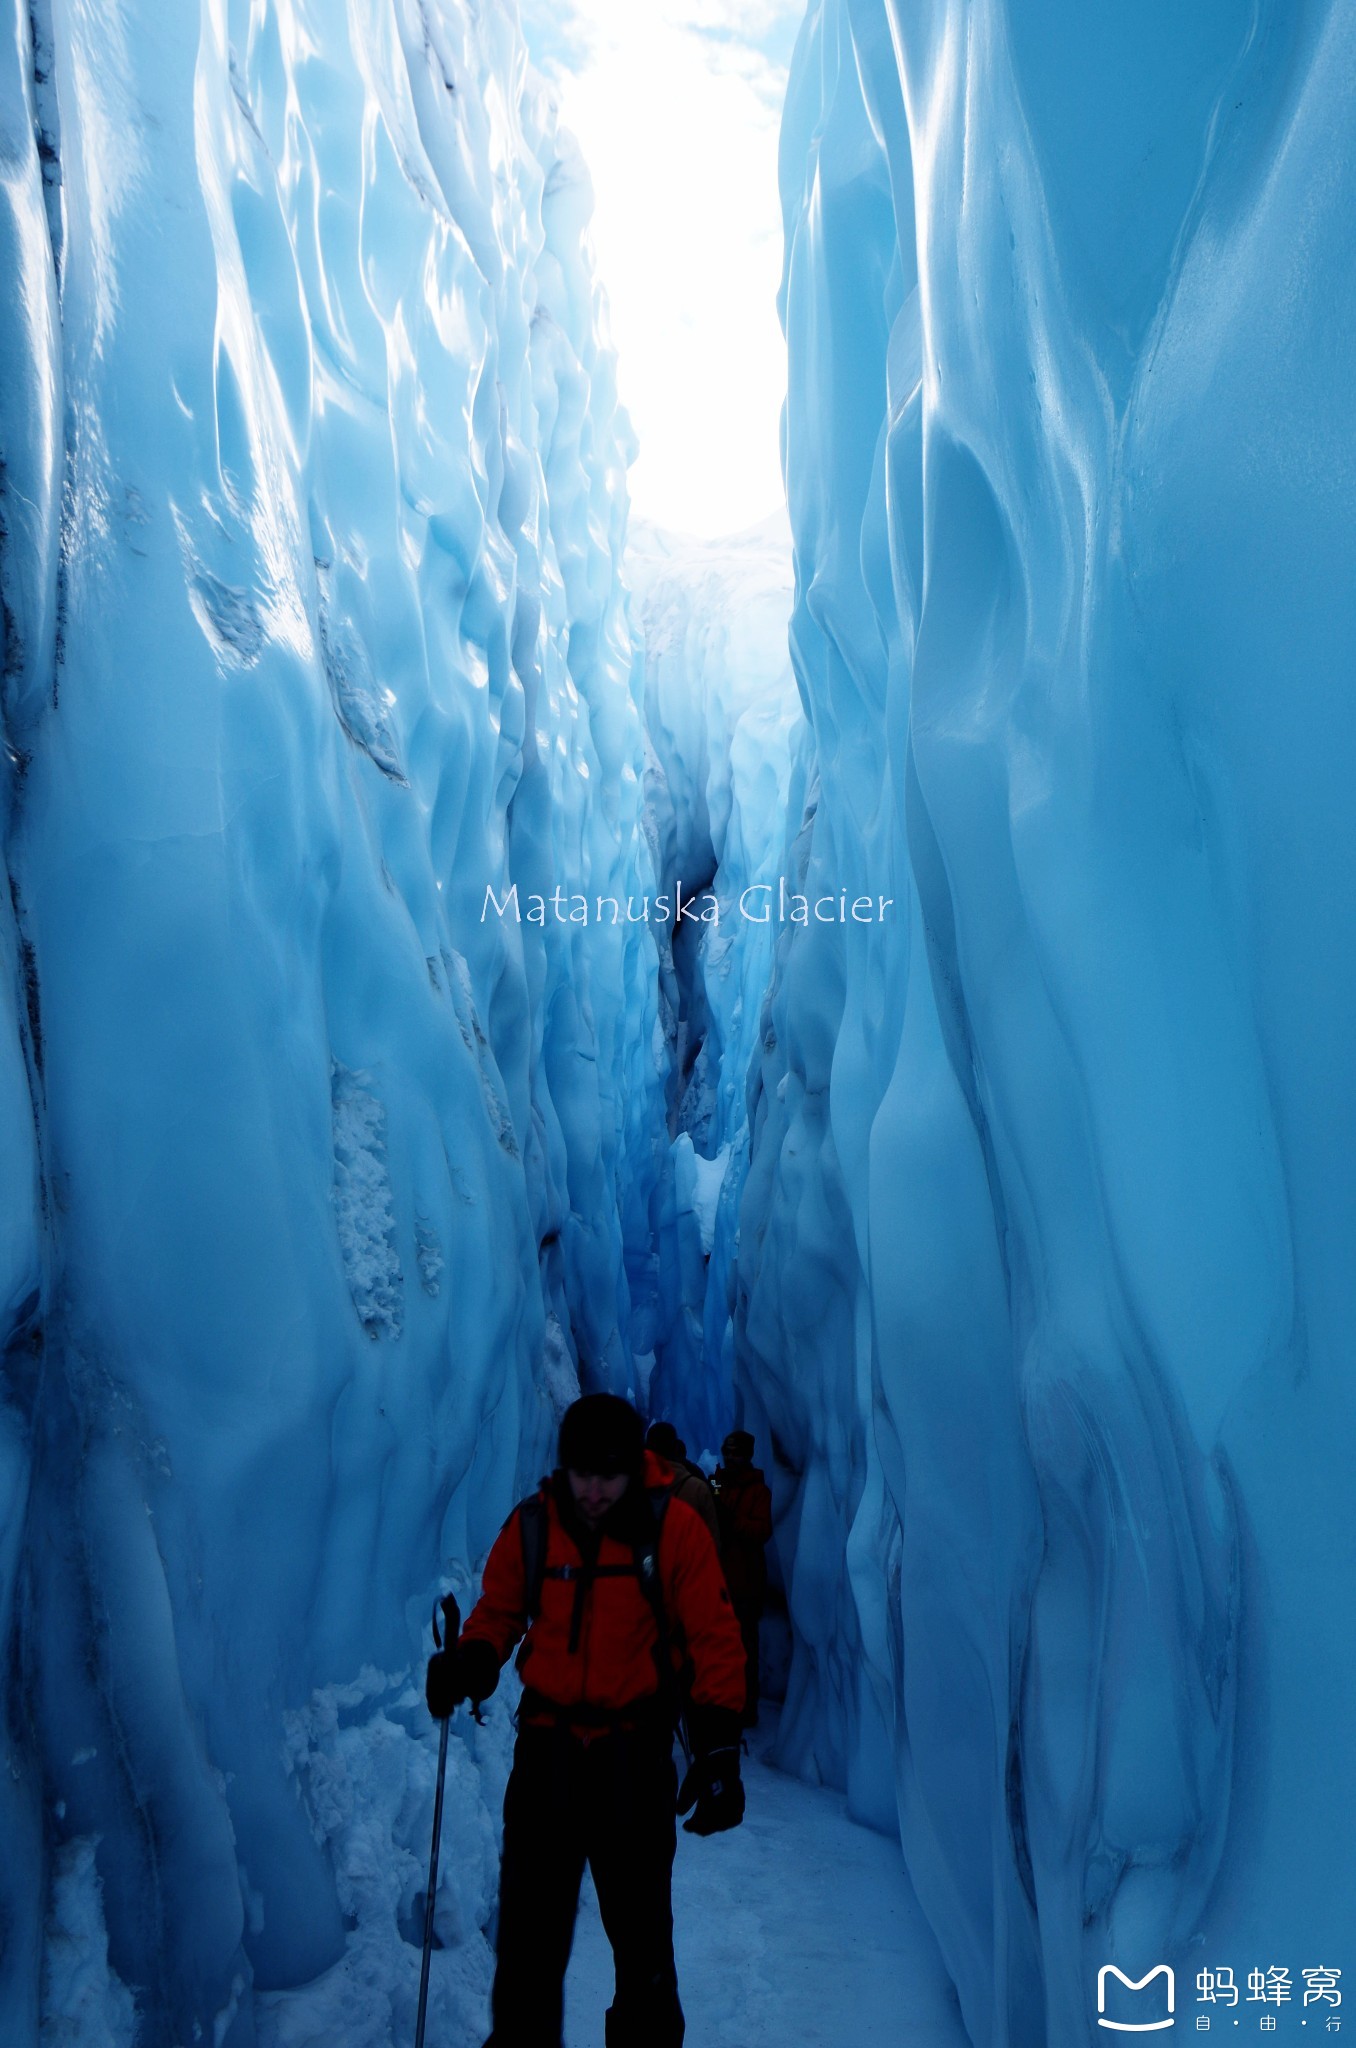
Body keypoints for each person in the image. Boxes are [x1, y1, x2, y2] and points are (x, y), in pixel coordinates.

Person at [426, 1393, 747, 2048]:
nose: (595, 1491)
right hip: (549, 1759)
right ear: (565, 1467)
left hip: (633, 1761)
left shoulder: (675, 1531)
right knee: (528, 1952)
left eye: (609, 1474)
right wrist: (473, 1661)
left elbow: (714, 1635)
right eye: (583, 1474)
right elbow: (500, 1610)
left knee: (642, 1950)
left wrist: (718, 1750)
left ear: (635, 1466)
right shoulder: (536, 1525)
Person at [711, 1429, 773, 1728]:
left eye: (735, 1453)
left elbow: (762, 1530)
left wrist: (732, 1521)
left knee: (746, 1649)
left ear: (747, 1455)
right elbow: (706, 1506)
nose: (730, 1458)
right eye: (727, 1452)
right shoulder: (717, 1481)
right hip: (718, 1582)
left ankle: (746, 1708)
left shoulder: (758, 1491)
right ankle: (722, 1705)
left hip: (745, 1583)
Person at [643, 1421, 721, 1551]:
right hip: (691, 1562)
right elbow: (713, 1542)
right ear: (675, 1449)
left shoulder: (631, 1486)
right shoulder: (697, 1485)